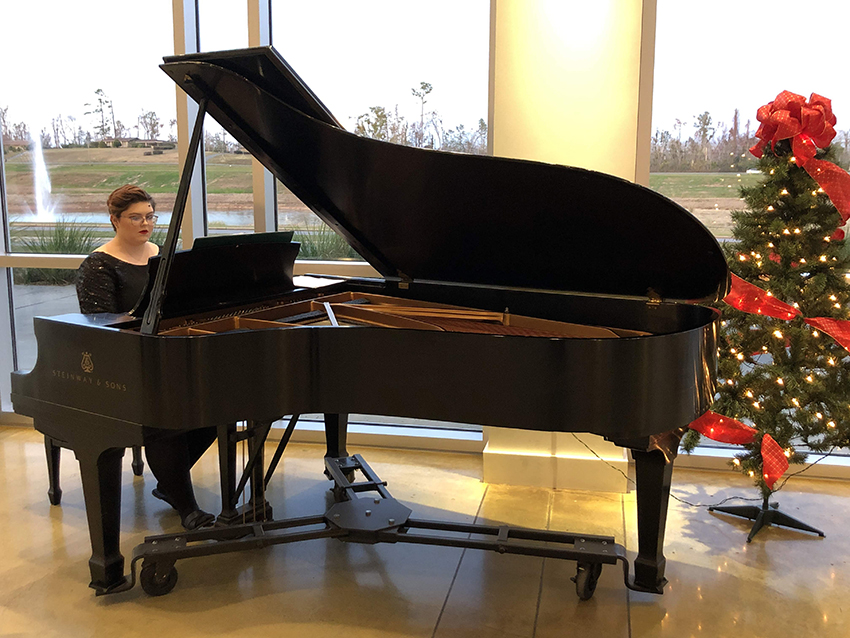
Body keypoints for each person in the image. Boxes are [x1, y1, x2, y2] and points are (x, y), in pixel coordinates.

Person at [76, 184, 217, 530]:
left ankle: (169, 485)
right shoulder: (98, 265)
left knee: (215, 409)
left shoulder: (162, 254)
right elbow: (101, 328)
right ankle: (187, 509)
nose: (145, 224)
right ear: (115, 219)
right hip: (123, 367)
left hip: (166, 356)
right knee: (164, 417)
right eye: (135, 217)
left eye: (150, 216)